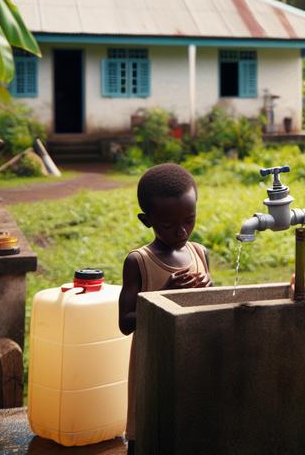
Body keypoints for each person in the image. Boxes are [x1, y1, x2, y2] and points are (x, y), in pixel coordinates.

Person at [118, 163, 213, 447]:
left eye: (189, 220)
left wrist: (210, 290)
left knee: (188, 428)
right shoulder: (139, 262)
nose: (181, 231)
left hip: (192, 356)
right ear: (147, 220)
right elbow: (125, 322)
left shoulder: (199, 253)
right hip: (153, 364)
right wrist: (163, 294)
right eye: (168, 225)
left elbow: (207, 310)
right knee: (148, 428)